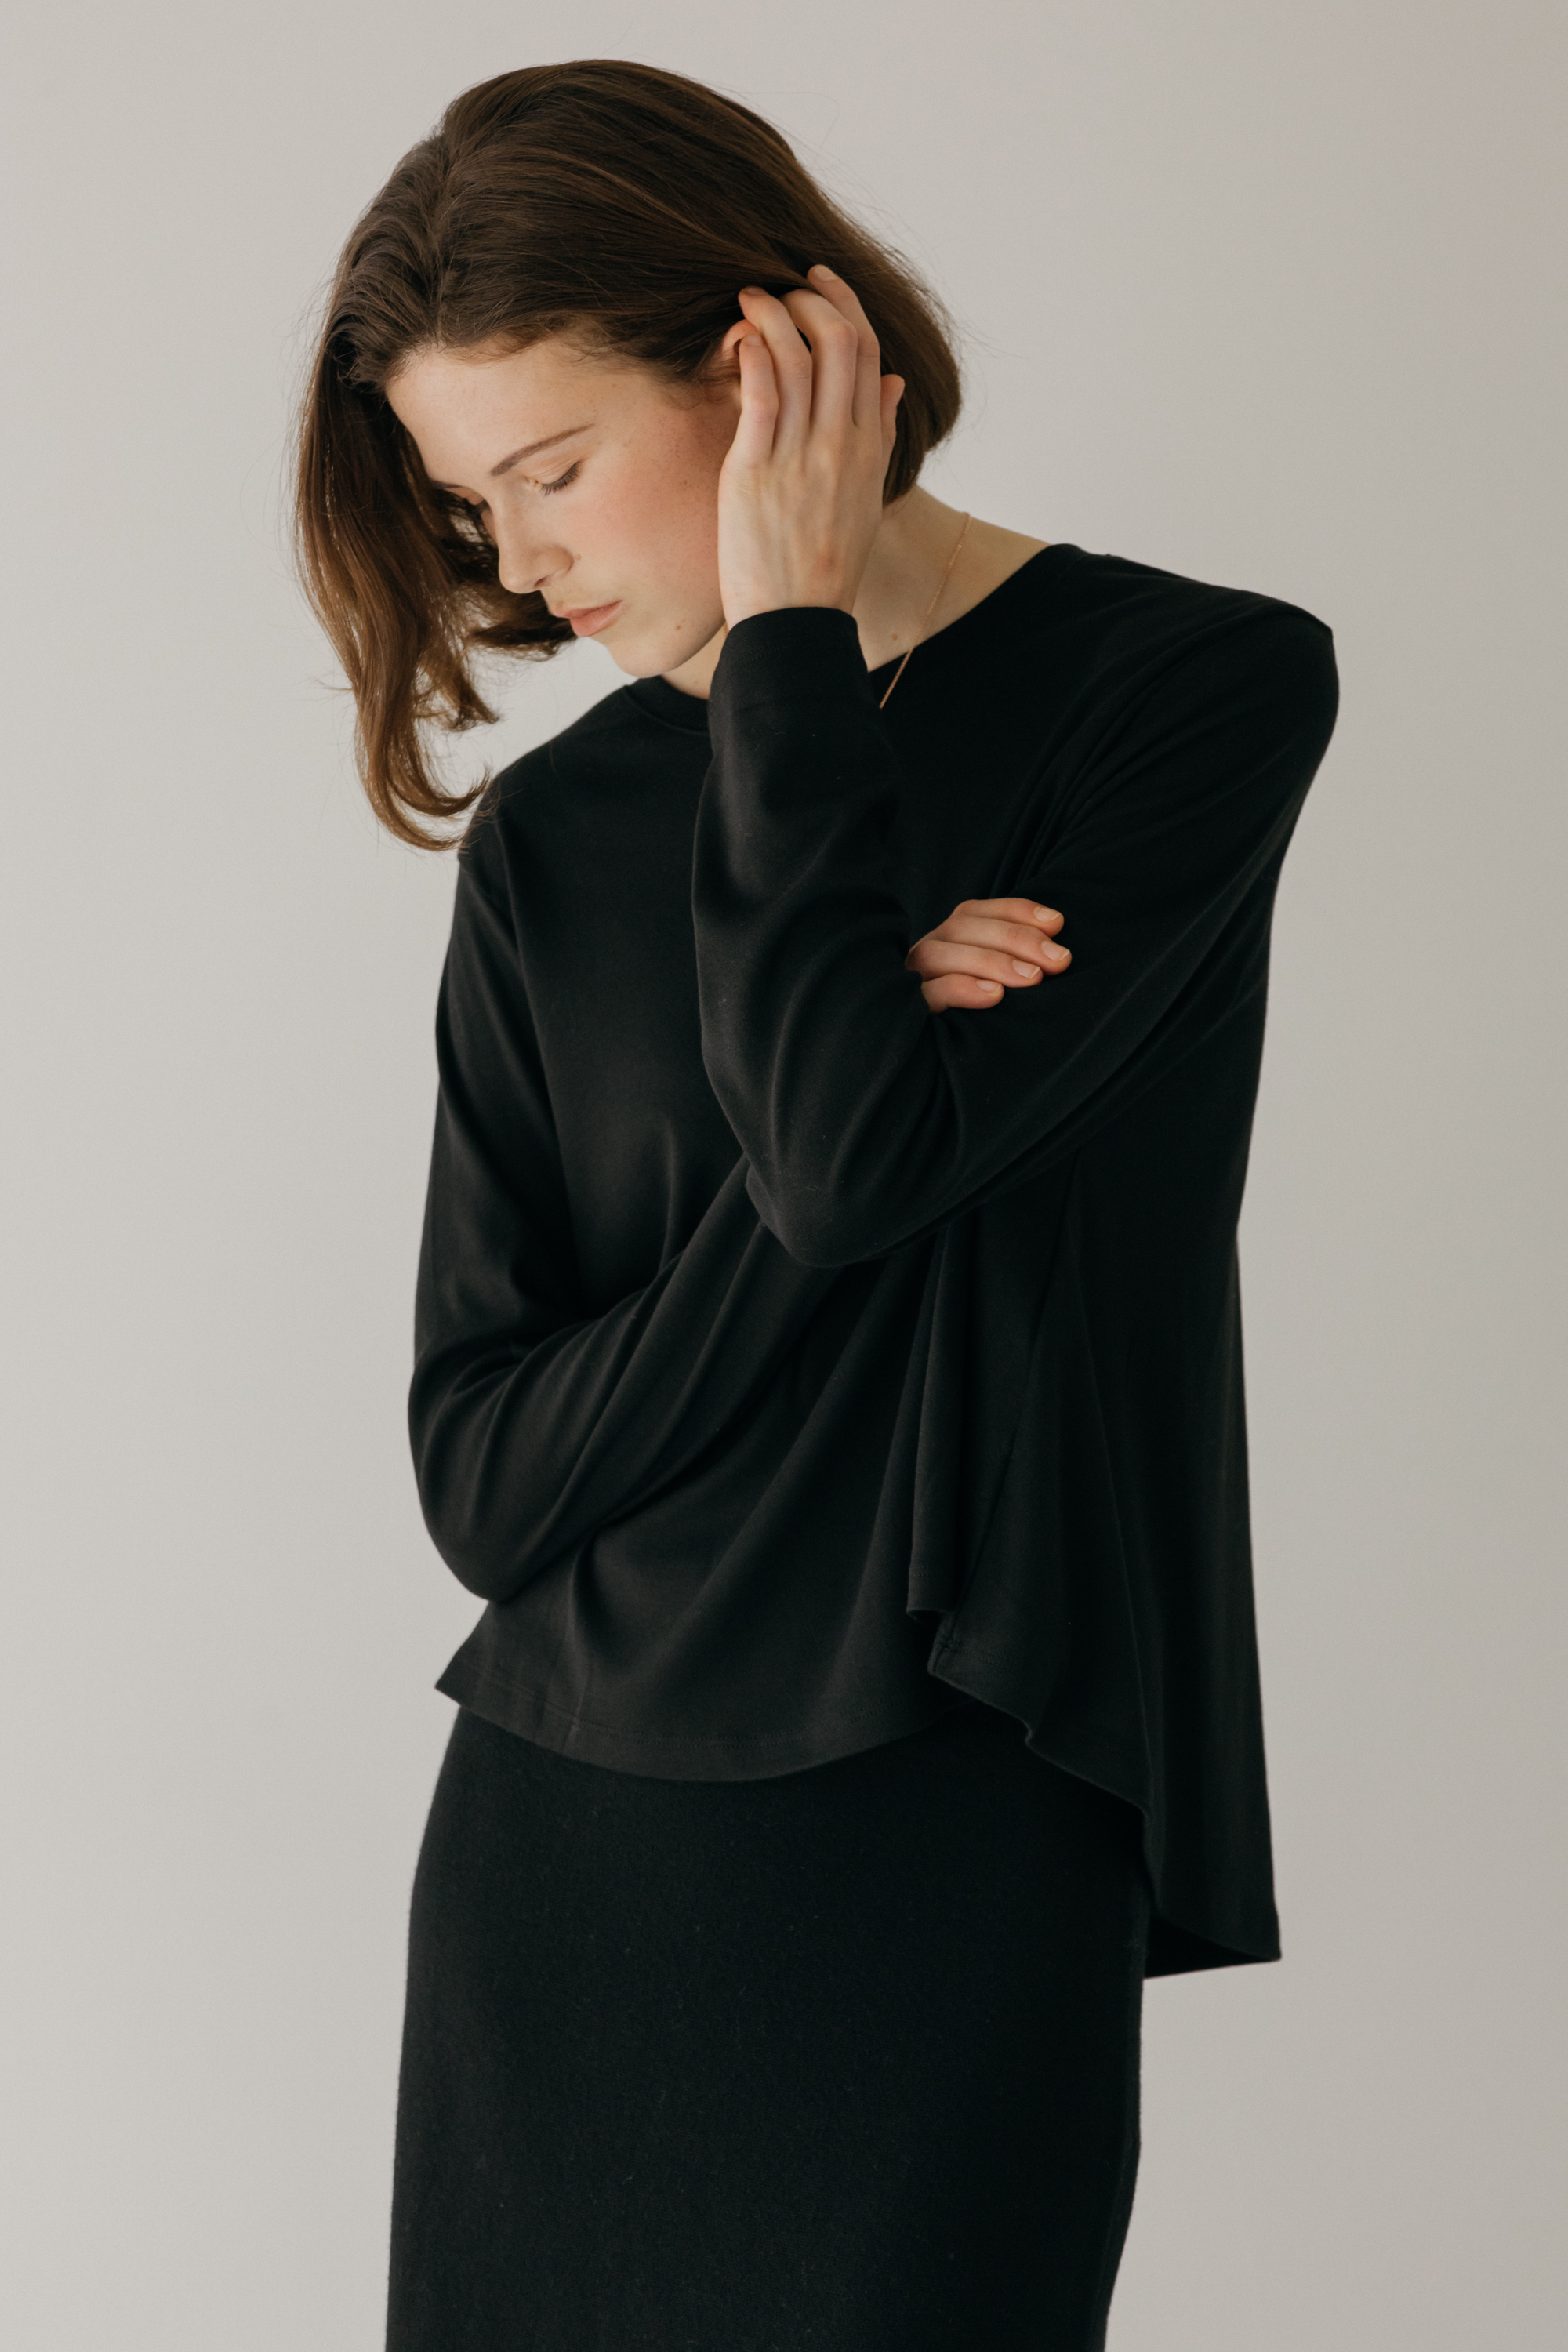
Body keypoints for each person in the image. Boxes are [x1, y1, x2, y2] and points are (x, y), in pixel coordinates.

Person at [294, 57, 1338, 2352]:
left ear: (775, 360)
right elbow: (486, 1480)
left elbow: (861, 1172)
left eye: (551, 470)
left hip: (953, 1812)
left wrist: (786, 651)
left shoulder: (1191, 695)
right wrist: (851, 1054)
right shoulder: (557, 843)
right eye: (471, 507)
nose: (522, 565)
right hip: (563, 1846)